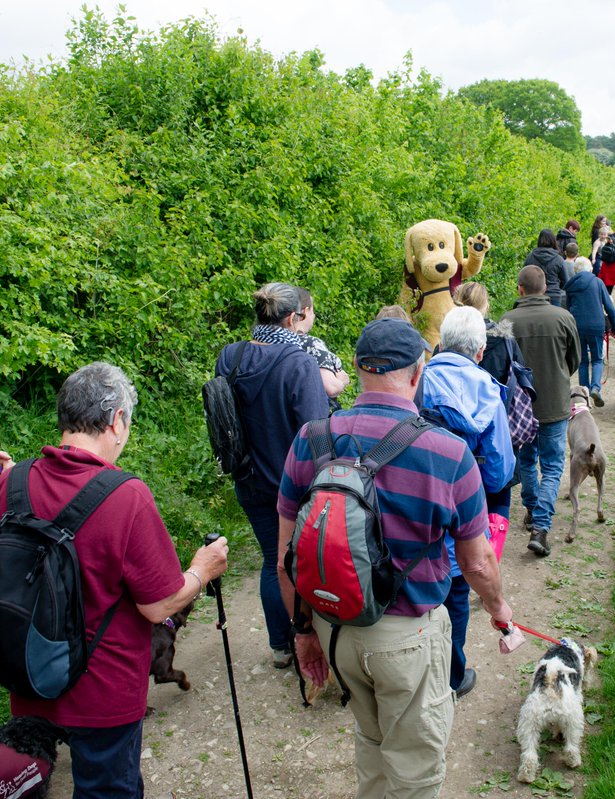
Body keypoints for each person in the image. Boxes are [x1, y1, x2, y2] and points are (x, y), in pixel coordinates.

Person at [277, 318, 513, 799]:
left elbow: (287, 558)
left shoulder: (311, 438)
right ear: (418, 372)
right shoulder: (448, 453)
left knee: (371, 741)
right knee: (415, 772)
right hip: (407, 640)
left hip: (335, 627)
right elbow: (477, 563)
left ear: (357, 367)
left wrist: (303, 633)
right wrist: (499, 608)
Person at [0, 362, 229, 799]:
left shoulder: (11, 484)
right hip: (103, 693)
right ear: (117, 421)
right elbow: (160, 604)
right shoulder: (126, 494)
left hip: (30, 675)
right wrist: (201, 570)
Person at [217, 282, 329, 669]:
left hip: (248, 479)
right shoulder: (299, 362)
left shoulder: (230, 356)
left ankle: (281, 645)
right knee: (309, 561)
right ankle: (313, 637)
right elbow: (316, 430)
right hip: (295, 485)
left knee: (273, 561)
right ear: (294, 317)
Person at [421, 307, 515, 699]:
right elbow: (499, 472)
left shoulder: (417, 379)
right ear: (479, 351)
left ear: (441, 343)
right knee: (457, 593)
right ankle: (452, 675)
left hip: (414, 505)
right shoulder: (488, 391)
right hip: (461, 509)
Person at [501, 265, 579, 558]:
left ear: (520, 289)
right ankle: (541, 527)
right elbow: (574, 360)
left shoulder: (506, 320)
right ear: (545, 288)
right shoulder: (563, 317)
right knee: (553, 465)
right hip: (555, 403)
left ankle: (533, 510)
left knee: (526, 459)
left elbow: (502, 364)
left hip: (520, 406)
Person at [453, 281, 526, 528]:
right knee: (498, 489)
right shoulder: (505, 339)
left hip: (458, 429)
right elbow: (521, 378)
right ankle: (493, 544)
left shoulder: (448, 338)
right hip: (498, 426)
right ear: (485, 306)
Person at [564, 256, 615, 407]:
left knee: (582, 361)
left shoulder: (570, 286)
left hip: (577, 326)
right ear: (590, 268)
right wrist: (614, 325)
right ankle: (595, 388)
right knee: (597, 359)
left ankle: (584, 395)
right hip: (596, 325)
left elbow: (568, 308)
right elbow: (609, 307)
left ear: (575, 270)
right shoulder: (598, 282)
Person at [292, 286, 350, 403]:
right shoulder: (311, 345)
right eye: (312, 311)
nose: (313, 316)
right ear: (305, 312)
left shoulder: (272, 340)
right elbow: (331, 388)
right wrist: (342, 381)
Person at [524, 228, 571, 308]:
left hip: (535, 296)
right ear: (553, 241)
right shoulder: (558, 259)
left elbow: (524, 277)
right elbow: (566, 282)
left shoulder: (530, 257)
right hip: (554, 296)